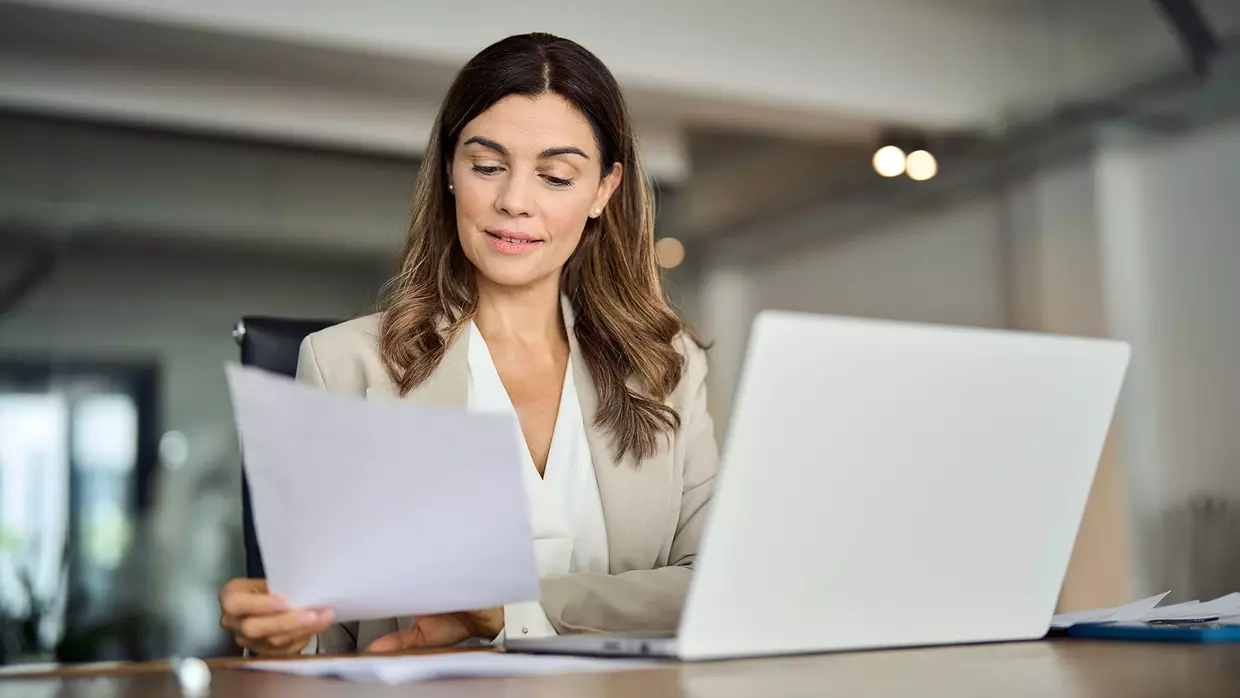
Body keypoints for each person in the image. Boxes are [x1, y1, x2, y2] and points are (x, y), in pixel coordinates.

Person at [218, 32, 718, 656]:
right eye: (487, 166)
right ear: (451, 172)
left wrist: (510, 610)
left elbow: (710, 591)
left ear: (603, 192)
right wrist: (275, 642)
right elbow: (324, 641)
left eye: (556, 176)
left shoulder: (668, 367)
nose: (513, 201)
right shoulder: (342, 363)